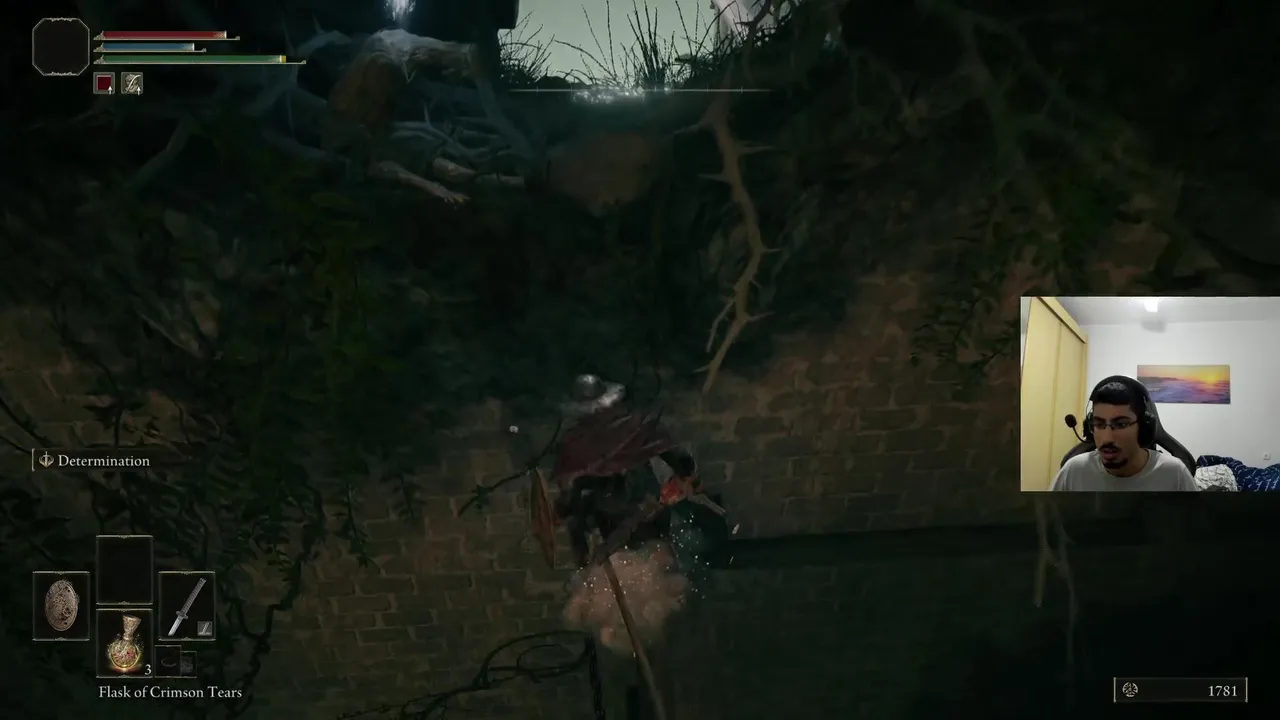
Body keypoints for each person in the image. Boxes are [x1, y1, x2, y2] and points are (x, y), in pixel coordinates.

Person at [1050, 380, 1197, 491]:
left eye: (1121, 425)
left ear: (1142, 428)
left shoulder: (1174, 474)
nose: (1107, 438)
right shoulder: (1074, 471)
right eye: (1099, 424)